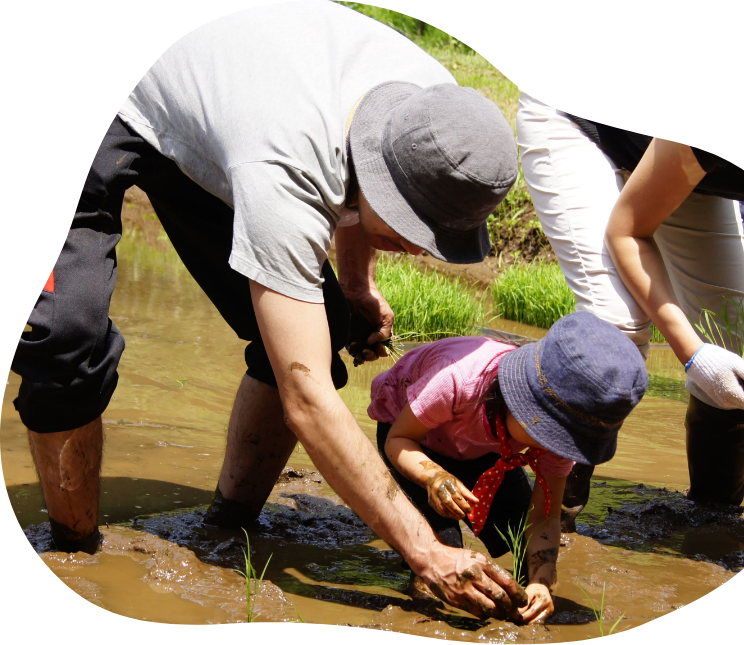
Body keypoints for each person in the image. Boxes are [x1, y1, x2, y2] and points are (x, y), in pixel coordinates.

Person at [11, 2, 527, 620]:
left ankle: (228, 527)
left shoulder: (445, 120)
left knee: (330, 323)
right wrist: (426, 553)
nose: (420, 250)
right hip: (145, 104)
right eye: (415, 230)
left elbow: (363, 181)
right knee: (61, 335)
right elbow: (306, 398)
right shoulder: (286, 166)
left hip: (231, 106)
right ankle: (77, 553)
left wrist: (357, 284)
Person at [516, 90, 744, 528]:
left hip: (682, 167)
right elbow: (627, 231)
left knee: (743, 353)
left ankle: (714, 522)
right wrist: (694, 356)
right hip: (580, 125)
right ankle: (548, 520)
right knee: (616, 329)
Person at [370, 312, 648, 623]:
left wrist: (542, 583)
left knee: (520, 540)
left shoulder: (560, 434)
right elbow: (398, 439)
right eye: (547, 434)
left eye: (564, 442)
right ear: (520, 400)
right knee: (443, 546)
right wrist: (434, 476)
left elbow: (545, 516)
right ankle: (423, 611)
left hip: (490, 448)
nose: (553, 448)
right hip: (413, 440)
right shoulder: (456, 381)